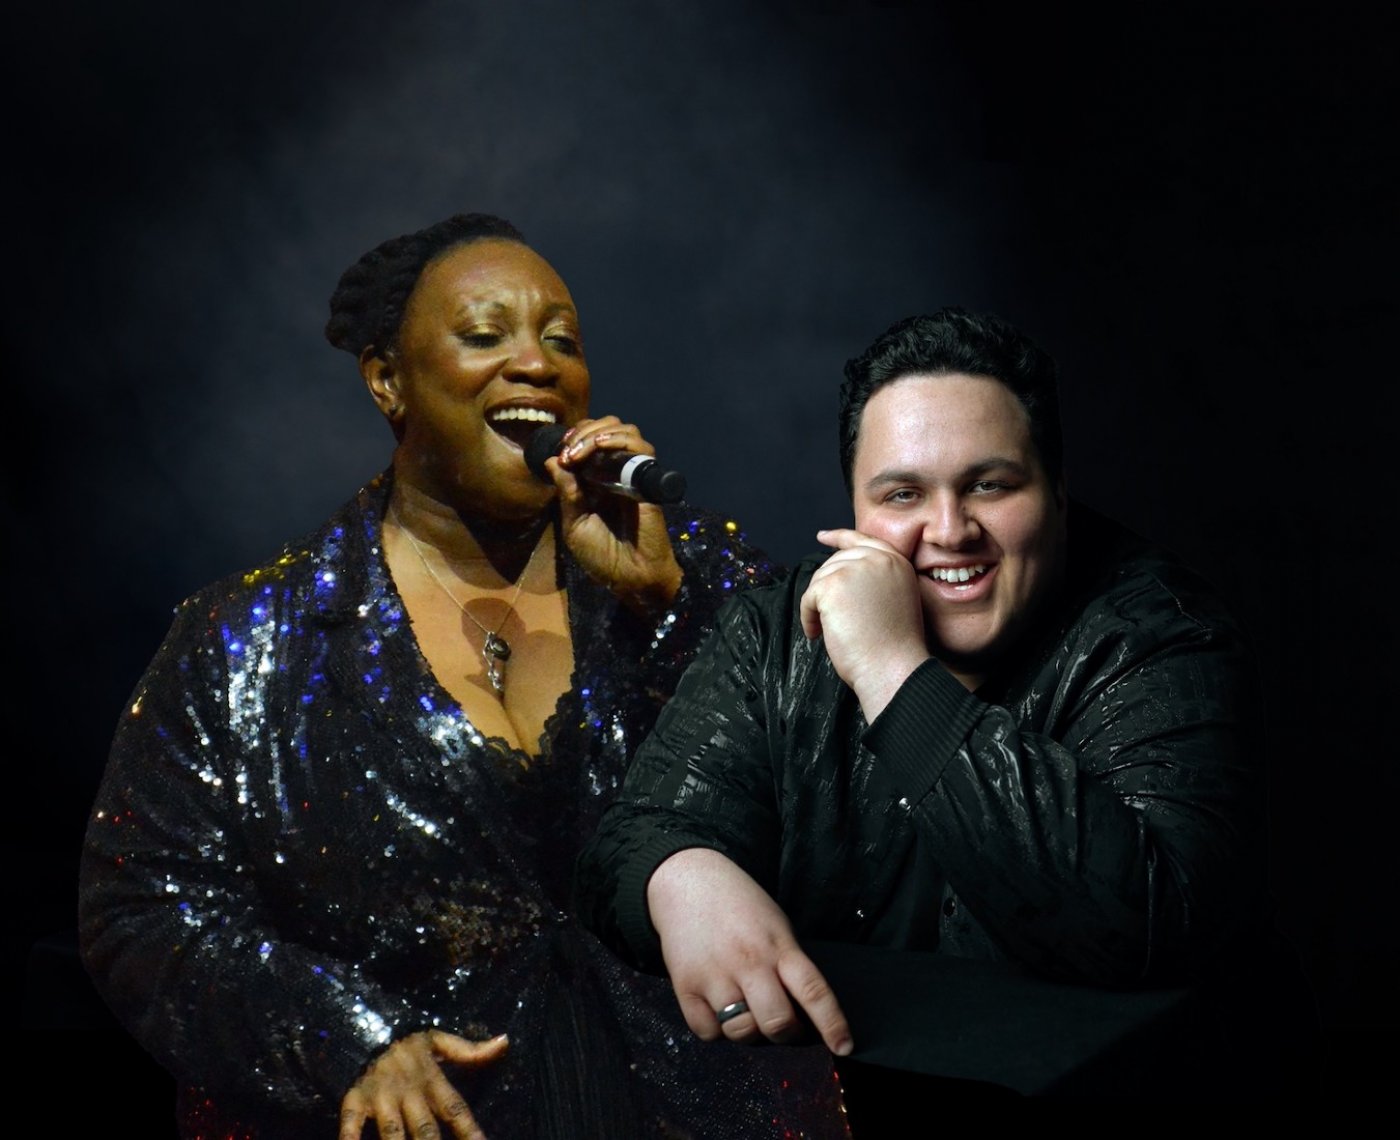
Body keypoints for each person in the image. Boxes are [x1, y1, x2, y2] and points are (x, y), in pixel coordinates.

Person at [78, 212, 850, 1139]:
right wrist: (347, 1036)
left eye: (562, 341)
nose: (535, 364)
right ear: (387, 380)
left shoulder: (691, 573)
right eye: (485, 336)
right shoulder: (248, 639)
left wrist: (670, 608)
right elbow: (144, 910)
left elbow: (843, 796)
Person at [576, 306, 1318, 1107]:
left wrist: (893, 669)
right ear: (856, 511)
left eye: (990, 485)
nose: (950, 530)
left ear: (1058, 492)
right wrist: (679, 876)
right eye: (903, 493)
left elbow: (1148, 927)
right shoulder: (772, 633)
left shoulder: (1165, 635)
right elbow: (632, 836)